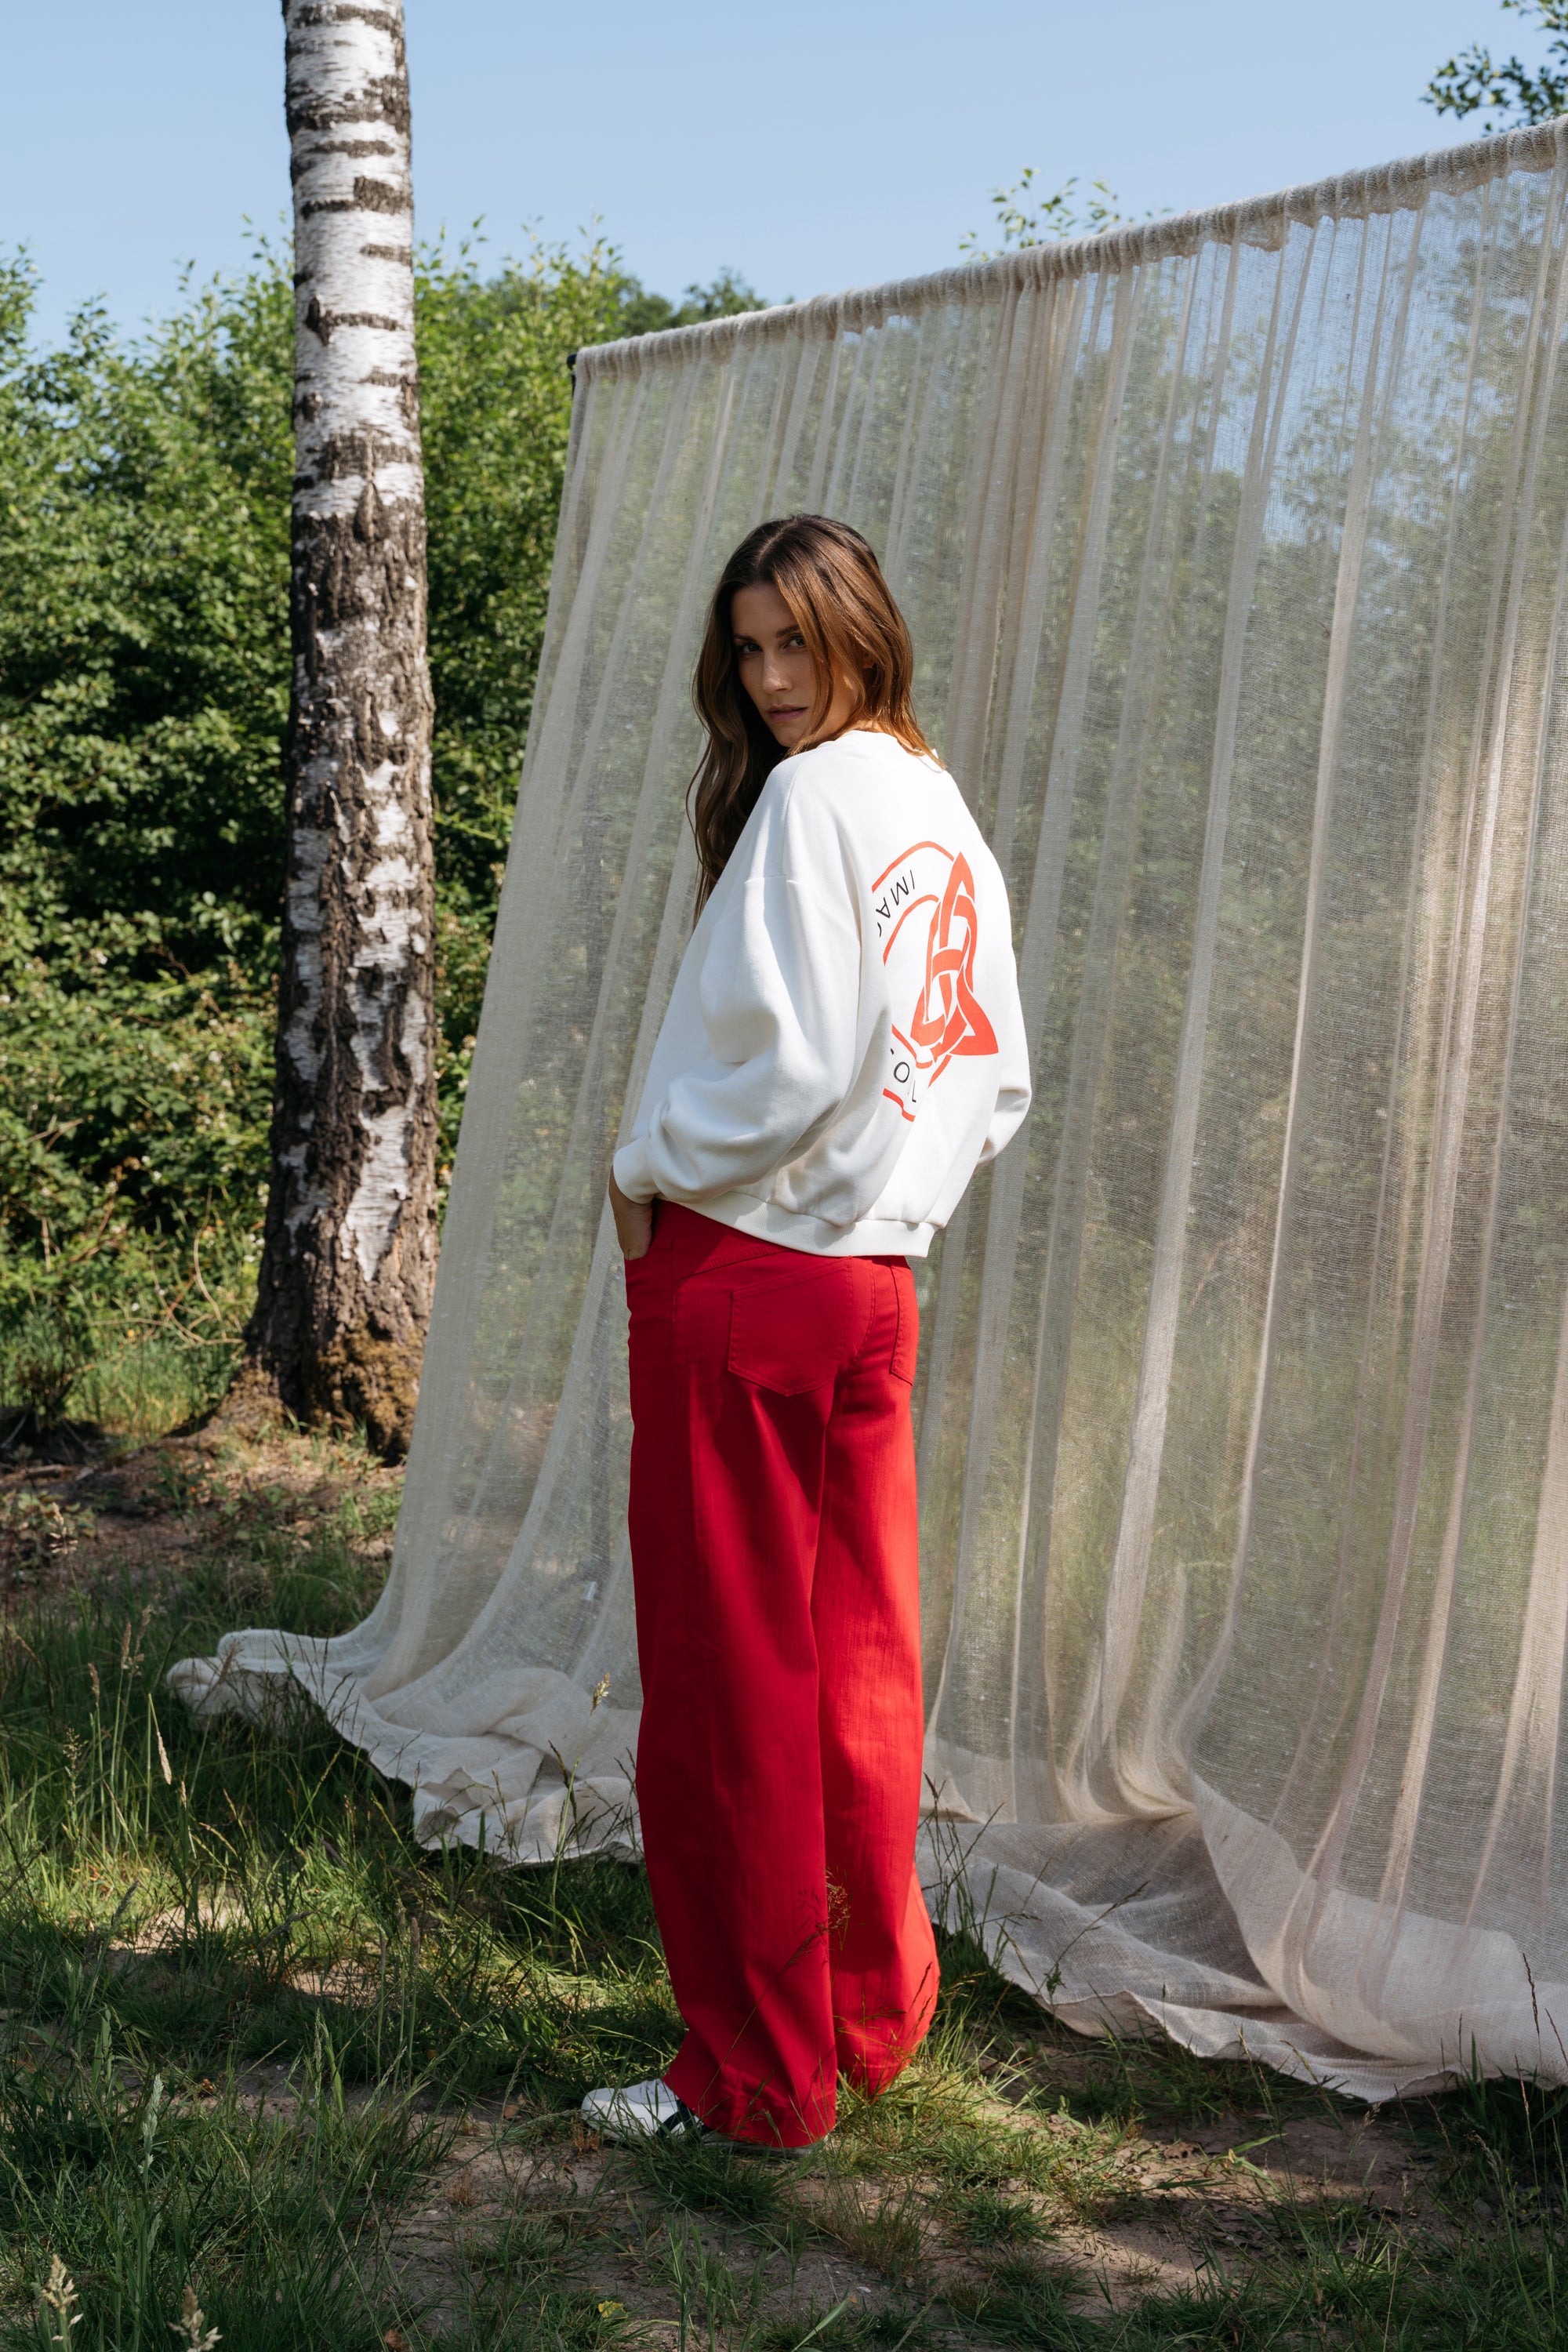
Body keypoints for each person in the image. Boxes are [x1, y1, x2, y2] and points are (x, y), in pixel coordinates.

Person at [581, 514, 1031, 2151]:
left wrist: (645, 1165)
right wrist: (894, 1194)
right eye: (749, 649)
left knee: (729, 1695)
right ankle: (867, 2020)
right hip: (870, 1287)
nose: (774, 680)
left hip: (748, 1273)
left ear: (862, 632)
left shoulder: (815, 797)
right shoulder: (934, 802)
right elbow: (994, 1076)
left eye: (798, 642)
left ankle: (759, 2078)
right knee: (856, 1668)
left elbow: (782, 1062)